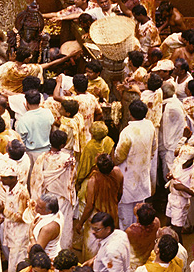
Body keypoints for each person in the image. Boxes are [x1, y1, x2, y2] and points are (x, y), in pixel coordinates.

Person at [30, 130, 76, 250]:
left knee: (47, 224)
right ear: (63, 145)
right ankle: (64, 253)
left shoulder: (42, 158)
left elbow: (36, 179)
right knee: (64, 226)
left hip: (48, 198)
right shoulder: (69, 160)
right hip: (63, 197)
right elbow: (72, 179)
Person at [114, 100, 156, 230]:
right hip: (142, 173)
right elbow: (154, 148)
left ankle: (127, 239)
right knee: (140, 212)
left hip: (128, 176)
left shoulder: (127, 131)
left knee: (125, 215)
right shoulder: (150, 125)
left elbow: (118, 157)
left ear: (130, 113)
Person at [76, 154, 123, 261]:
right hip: (112, 215)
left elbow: (89, 205)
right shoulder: (118, 172)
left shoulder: (93, 180)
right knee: (110, 248)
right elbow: (120, 194)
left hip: (97, 217)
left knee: (91, 251)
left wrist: (80, 223)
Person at [0, 156, 30, 272]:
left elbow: (22, 217)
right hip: (10, 230)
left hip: (19, 234)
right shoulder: (9, 190)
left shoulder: (22, 193)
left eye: (4, 178)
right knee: (12, 259)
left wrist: (3, 211)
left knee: (16, 264)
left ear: (12, 178)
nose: (2, 181)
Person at [55, 74, 101, 142]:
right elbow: (100, 113)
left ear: (74, 88)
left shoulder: (75, 100)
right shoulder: (92, 98)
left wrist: (58, 83)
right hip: (89, 136)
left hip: (75, 137)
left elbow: (55, 97)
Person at [16, 89, 55, 164]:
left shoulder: (23, 120)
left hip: (31, 154)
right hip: (47, 152)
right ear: (40, 101)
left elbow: (21, 140)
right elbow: (52, 129)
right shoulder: (48, 113)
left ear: (26, 102)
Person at [159, 82, 186, 180]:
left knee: (171, 171)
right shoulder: (175, 102)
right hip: (174, 142)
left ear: (164, 95)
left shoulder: (171, 107)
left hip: (171, 144)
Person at [76, 122, 115, 187]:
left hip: (93, 178)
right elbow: (113, 159)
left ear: (93, 134)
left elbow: (84, 168)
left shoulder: (90, 147)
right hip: (107, 175)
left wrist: (78, 181)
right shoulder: (109, 141)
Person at [165, 154, 194, 241]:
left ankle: (179, 250)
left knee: (176, 229)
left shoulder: (192, 171)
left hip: (181, 201)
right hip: (171, 197)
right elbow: (172, 175)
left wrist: (183, 188)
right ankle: (168, 246)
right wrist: (169, 176)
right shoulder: (178, 163)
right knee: (168, 223)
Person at [124, 203, 160, 270]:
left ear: (137, 217)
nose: (137, 204)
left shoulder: (131, 231)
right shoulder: (157, 222)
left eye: (138, 206)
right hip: (150, 258)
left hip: (136, 263)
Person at [31, 193, 63, 261]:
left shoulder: (48, 228)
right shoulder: (57, 213)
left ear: (49, 211)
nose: (36, 207)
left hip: (46, 261)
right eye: (37, 204)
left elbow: (36, 251)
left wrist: (30, 234)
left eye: (39, 207)